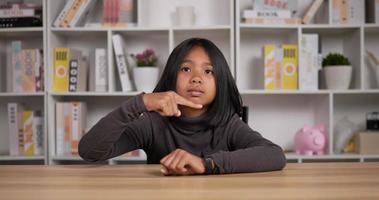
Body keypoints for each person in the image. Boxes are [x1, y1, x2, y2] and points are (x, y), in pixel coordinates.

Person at [79, 38, 286, 176]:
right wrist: (140, 103)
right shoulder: (153, 124)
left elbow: (275, 155)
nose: (196, 78)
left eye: (208, 72)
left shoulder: (227, 123)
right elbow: (89, 151)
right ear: (171, 76)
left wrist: (206, 164)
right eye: (186, 69)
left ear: (220, 82)